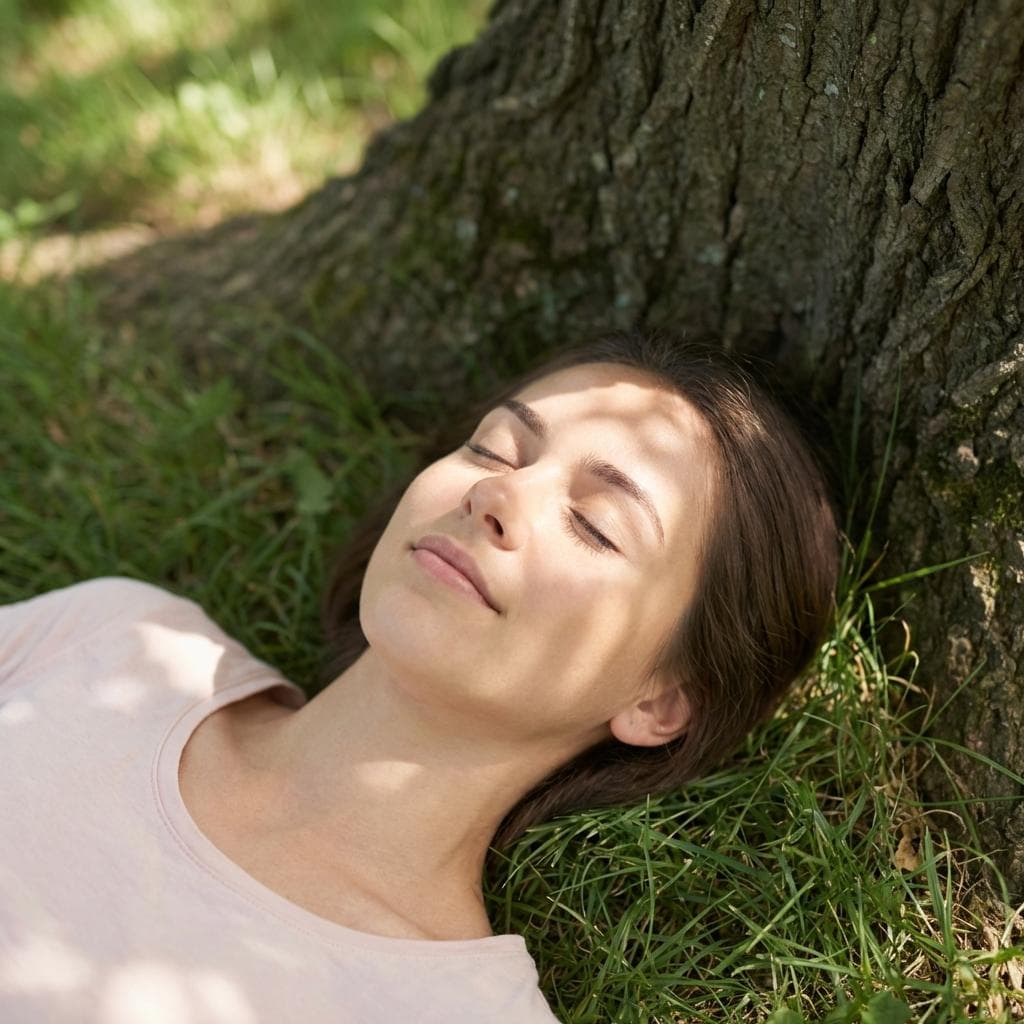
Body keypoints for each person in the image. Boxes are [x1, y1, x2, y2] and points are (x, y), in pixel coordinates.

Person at [0, 330, 839, 1023]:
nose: (497, 496)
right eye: (494, 447)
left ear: (659, 702)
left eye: (594, 524)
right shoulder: (121, 641)